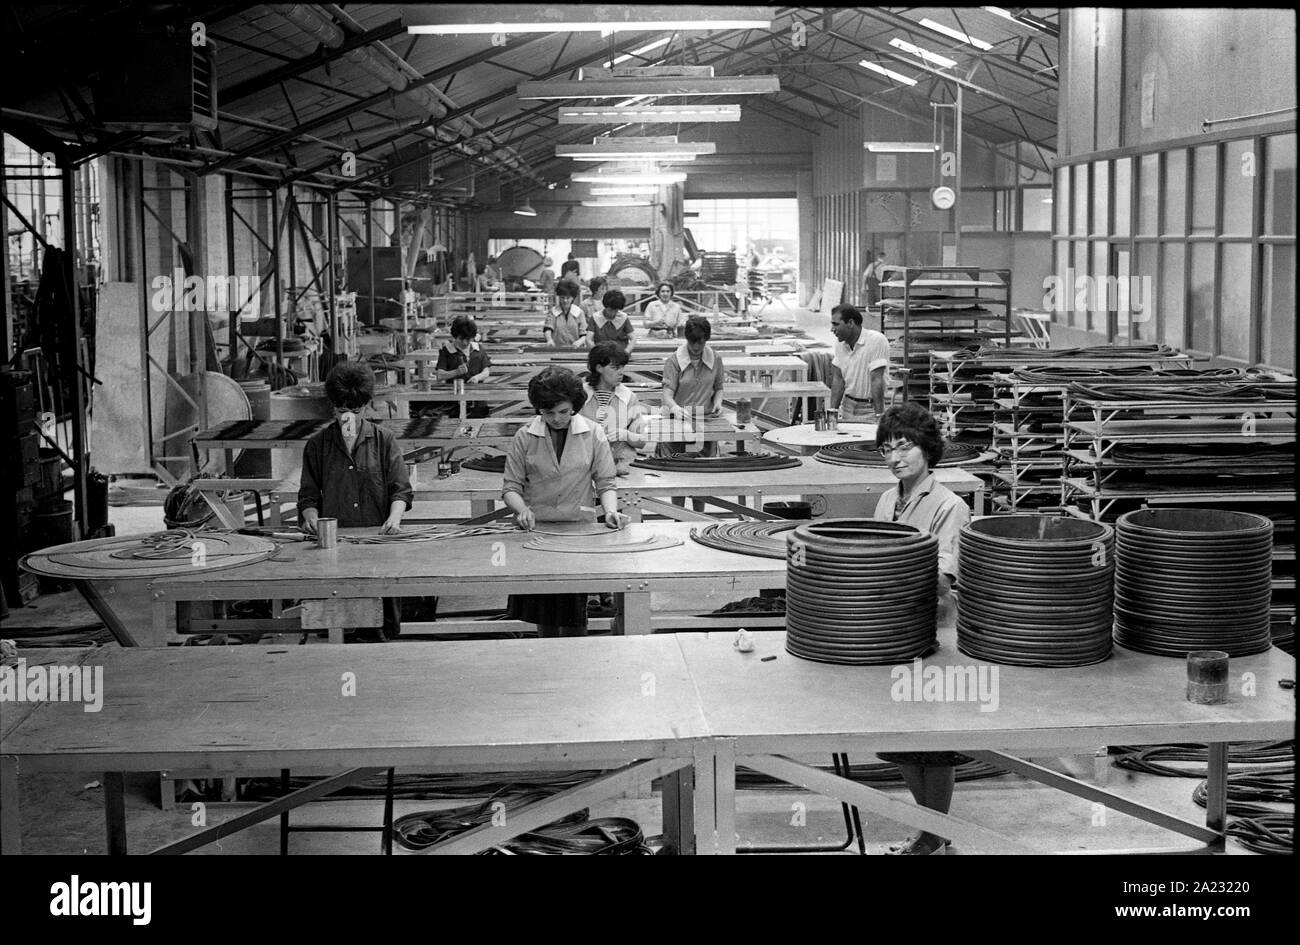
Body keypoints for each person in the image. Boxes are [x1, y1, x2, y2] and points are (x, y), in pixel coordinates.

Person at [871, 402, 973, 855]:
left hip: (934, 635)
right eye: (886, 449)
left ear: (927, 450)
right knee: (899, 740)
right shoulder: (887, 499)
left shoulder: (950, 505)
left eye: (904, 447)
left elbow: (945, 578)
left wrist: (898, 563)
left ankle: (933, 834)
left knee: (933, 742)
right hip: (891, 630)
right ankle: (930, 831)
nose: (895, 457)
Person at [502, 368, 631, 637]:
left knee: (574, 618)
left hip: (578, 531)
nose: (557, 419)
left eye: (563, 411)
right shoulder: (525, 436)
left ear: (574, 405)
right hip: (538, 533)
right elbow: (511, 487)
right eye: (548, 413)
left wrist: (609, 512)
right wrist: (522, 509)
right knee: (545, 617)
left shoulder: (593, 433)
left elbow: (606, 482)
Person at [297, 362, 413, 642]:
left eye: (355, 411)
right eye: (341, 411)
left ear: (367, 406)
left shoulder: (383, 440)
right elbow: (308, 498)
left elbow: (401, 490)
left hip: (377, 543)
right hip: (338, 546)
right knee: (343, 627)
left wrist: (394, 518)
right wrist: (311, 518)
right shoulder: (317, 445)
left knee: (379, 626)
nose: (347, 417)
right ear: (332, 408)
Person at [660, 315, 725, 460]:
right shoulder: (674, 361)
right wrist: (675, 407)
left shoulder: (715, 359)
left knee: (705, 466)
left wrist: (718, 403)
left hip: (705, 420)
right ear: (686, 339)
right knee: (673, 464)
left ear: (706, 340)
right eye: (692, 342)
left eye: (701, 343)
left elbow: (719, 386)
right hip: (677, 421)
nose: (696, 347)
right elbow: (667, 395)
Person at [581, 342, 648, 475]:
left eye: (622, 367)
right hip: (585, 464)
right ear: (599, 368)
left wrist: (625, 435)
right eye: (614, 367)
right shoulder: (580, 394)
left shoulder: (628, 397)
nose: (621, 372)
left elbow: (641, 441)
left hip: (621, 465)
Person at [828, 302, 890, 423]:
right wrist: (832, 413)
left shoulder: (876, 340)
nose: (832, 329)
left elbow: (876, 380)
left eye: (836, 324)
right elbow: (838, 379)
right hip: (847, 407)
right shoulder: (840, 344)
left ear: (850, 323)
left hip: (869, 409)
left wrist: (879, 416)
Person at [436, 315, 492, 418]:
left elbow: (486, 372)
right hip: (454, 401)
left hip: (478, 400)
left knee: (477, 427)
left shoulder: (478, 349)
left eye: (468, 339)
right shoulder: (446, 351)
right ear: (455, 336)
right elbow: (440, 375)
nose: (465, 343)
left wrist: (477, 377)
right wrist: (456, 372)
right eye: (461, 339)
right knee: (457, 428)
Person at [585, 288, 636, 353]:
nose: (613, 313)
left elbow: (633, 338)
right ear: (605, 306)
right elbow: (588, 339)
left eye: (616, 310)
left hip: (620, 354)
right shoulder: (595, 317)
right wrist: (596, 351)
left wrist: (626, 351)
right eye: (610, 310)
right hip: (601, 354)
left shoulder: (624, 317)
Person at [542, 280, 587, 349]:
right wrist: (549, 339)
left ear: (573, 298)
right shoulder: (553, 311)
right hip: (556, 349)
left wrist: (580, 341)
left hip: (576, 349)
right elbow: (548, 328)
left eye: (568, 298)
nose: (565, 301)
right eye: (562, 297)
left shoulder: (579, 312)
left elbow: (584, 333)